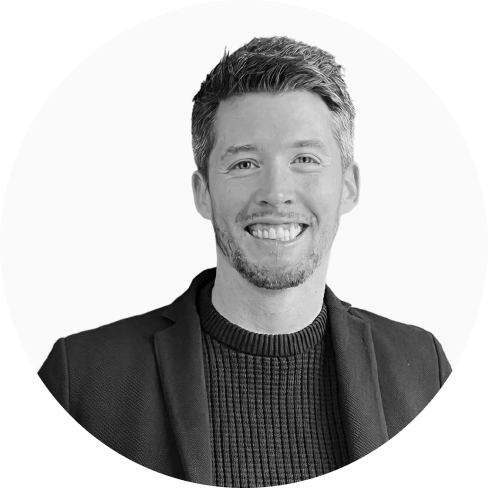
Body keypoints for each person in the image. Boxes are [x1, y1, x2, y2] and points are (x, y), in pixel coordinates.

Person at [38, 36, 467, 487]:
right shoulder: (82, 381)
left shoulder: (424, 371)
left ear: (349, 187)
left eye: (305, 159)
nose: (275, 192)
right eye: (244, 164)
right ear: (203, 193)